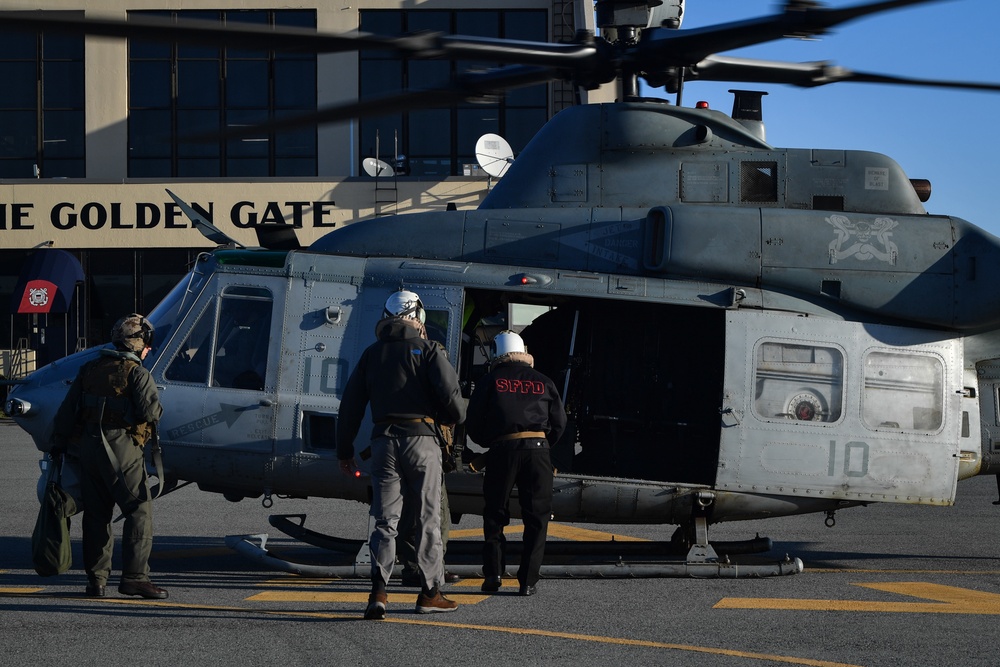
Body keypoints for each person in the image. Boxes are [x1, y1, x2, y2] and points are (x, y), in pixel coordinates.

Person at [337, 290, 466, 620]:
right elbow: (453, 401)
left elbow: (350, 405)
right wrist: (452, 417)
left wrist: (344, 450)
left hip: (383, 443)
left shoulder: (372, 354)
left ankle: (378, 594)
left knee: (385, 520)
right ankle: (430, 593)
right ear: (419, 316)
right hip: (422, 441)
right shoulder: (428, 350)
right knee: (428, 518)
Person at [52, 313, 167, 599]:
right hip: (121, 447)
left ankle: (97, 581)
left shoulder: (89, 368)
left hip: (89, 447)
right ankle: (135, 578)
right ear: (141, 344)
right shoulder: (137, 373)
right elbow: (150, 414)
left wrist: (58, 444)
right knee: (139, 510)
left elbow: (67, 413)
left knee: (96, 514)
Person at [466, 330, 567, 597]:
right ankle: (528, 581)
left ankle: (493, 574)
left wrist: (493, 440)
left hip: (503, 451)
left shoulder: (490, 381)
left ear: (497, 353)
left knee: (495, 514)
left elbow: (474, 423)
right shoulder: (544, 382)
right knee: (537, 518)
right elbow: (560, 423)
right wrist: (543, 445)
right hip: (539, 452)